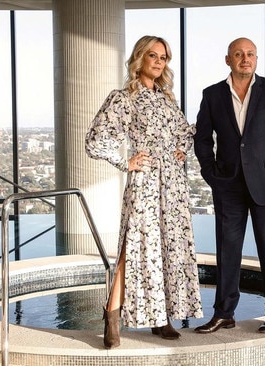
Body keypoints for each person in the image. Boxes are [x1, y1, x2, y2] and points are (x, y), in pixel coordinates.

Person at [85, 35, 203, 349]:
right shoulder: (123, 98)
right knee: (135, 248)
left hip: (173, 186)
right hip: (146, 184)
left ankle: (161, 317)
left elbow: (187, 132)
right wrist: (126, 161)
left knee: (166, 249)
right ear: (140, 58)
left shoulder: (167, 98)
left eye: (163, 57)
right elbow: (95, 140)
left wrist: (181, 149)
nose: (158, 61)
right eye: (153, 55)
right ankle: (111, 314)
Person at [193, 37, 265, 334]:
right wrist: (211, 174)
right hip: (227, 185)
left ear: (256, 59)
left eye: (250, 54)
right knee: (227, 252)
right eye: (238, 54)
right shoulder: (212, 94)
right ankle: (224, 313)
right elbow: (202, 138)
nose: (245, 58)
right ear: (228, 60)